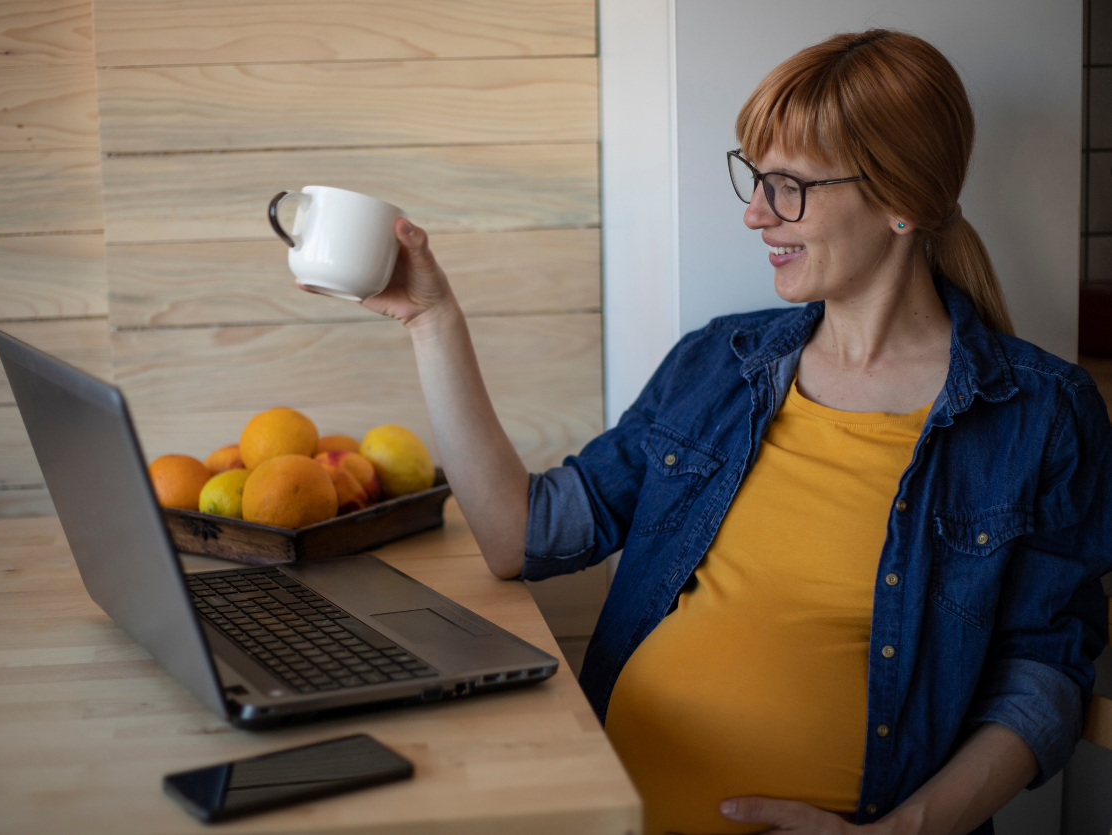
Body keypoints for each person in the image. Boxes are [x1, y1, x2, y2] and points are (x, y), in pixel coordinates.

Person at [306, 29, 1112, 835]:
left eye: (790, 186)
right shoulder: (718, 364)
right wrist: (431, 319)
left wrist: (906, 831)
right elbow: (524, 534)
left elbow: (1044, 672)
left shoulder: (1039, 412)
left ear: (902, 201)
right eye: (756, 177)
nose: (756, 212)